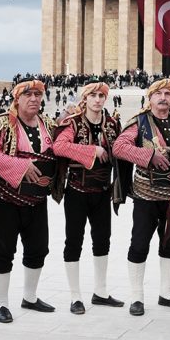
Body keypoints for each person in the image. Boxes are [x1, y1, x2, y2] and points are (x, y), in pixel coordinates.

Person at [0, 78, 59, 323]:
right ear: (17, 99)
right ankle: (1, 303)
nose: (34, 99)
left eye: (37, 94)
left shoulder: (48, 123)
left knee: (38, 248)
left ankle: (30, 296)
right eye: (28, 95)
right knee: (3, 250)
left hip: (36, 198)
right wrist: (20, 165)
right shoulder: (2, 123)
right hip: (5, 198)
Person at [113, 79, 170, 316]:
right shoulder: (138, 123)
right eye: (159, 93)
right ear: (150, 98)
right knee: (139, 244)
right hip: (146, 196)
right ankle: (137, 297)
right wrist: (149, 156)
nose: (164, 97)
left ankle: (166, 293)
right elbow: (119, 147)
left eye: (168, 93)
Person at [52, 82, 125, 313]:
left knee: (103, 240)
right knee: (74, 241)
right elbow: (59, 147)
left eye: (101, 96)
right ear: (85, 98)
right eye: (93, 95)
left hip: (102, 192)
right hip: (77, 191)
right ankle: (75, 296)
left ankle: (100, 291)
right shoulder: (73, 122)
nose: (97, 100)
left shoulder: (112, 124)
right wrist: (93, 151)